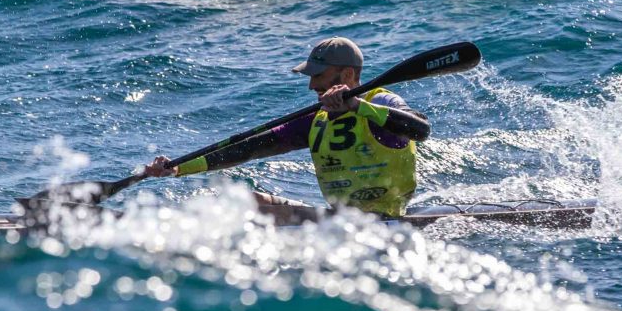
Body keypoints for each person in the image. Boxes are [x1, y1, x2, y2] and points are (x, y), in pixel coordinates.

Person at [143, 37, 430, 223]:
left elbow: (419, 129)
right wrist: (178, 168)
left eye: (318, 75)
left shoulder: (380, 102)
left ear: (347, 75)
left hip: (387, 221)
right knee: (246, 202)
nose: (312, 85)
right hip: (341, 221)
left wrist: (357, 106)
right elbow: (249, 148)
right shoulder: (316, 120)